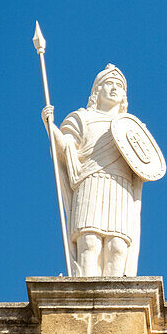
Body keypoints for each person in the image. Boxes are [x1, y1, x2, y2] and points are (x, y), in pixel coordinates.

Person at [42, 64, 149, 276]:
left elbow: (143, 162)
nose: (114, 88)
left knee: (117, 247)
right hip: (90, 183)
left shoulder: (132, 127)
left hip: (120, 187)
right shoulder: (81, 118)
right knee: (89, 243)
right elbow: (65, 150)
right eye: (108, 83)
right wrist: (50, 126)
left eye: (119, 86)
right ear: (96, 91)